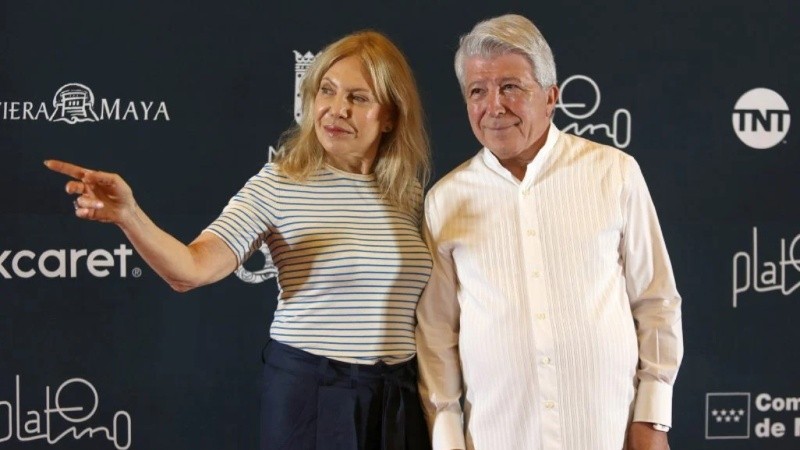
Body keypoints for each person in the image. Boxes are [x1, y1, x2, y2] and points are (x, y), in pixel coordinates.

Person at [47, 30, 433, 450]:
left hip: (398, 393)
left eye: (358, 98)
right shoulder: (280, 182)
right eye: (327, 90)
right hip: (314, 391)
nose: (336, 109)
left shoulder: (408, 194)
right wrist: (129, 215)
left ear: (390, 115)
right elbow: (191, 269)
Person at [415, 14, 683, 450]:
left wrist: (652, 418)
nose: (494, 106)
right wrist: (446, 437)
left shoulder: (614, 173)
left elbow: (656, 301)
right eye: (477, 91)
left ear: (551, 96)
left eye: (511, 87)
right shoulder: (445, 200)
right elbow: (436, 334)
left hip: (605, 432)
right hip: (497, 437)